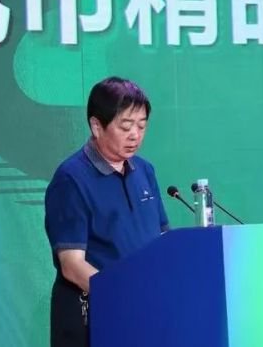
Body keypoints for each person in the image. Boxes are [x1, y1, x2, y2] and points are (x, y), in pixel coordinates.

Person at [44, 76, 169, 347]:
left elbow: (161, 239)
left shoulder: (145, 170)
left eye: (141, 125)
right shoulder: (71, 178)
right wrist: (122, 296)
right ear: (96, 126)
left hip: (143, 316)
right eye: (125, 126)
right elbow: (72, 265)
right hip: (94, 318)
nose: (135, 134)